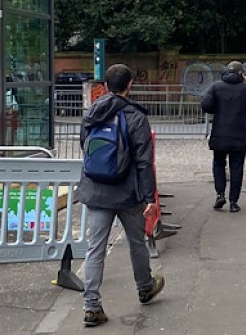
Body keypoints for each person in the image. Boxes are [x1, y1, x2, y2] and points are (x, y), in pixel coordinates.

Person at [78, 64, 164, 327]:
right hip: (127, 192)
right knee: (136, 241)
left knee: (96, 248)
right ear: (130, 86)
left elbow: (85, 145)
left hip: (97, 190)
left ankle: (91, 305)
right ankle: (145, 287)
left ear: (104, 86)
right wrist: (150, 197)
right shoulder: (136, 117)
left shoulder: (92, 112)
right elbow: (143, 162)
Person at [200, 61, 246, 213]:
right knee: (237, 168)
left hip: (220, 134)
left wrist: (218, 108)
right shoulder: (245, 88)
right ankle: (234, 202)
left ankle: (220, 194)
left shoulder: (216, 86)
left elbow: (206, 106)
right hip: (239, 135)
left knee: (219, 164)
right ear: (241, 73)